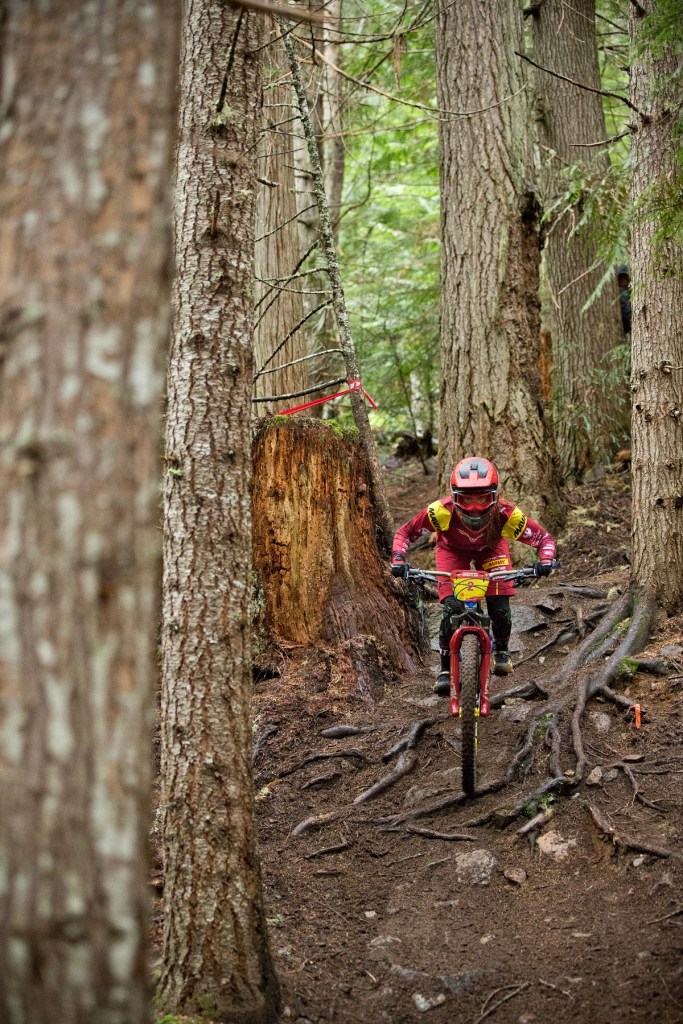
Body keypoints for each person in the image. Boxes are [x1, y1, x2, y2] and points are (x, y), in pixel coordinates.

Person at [390, 456, 556, 695]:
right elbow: (406, 532)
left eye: (482, 497)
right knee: (452, 608)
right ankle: (445, 669)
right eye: (466, 498)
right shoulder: (441, 512)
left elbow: (543, 539)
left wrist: (545, 561)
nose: (475, 506)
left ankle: (501, 651)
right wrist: (398, 560)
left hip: (492, 550)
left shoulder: (506, 514)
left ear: (495, 495)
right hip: (451, 551)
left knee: (499, 606)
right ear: (455, 496)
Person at [616, 264, 632, 336]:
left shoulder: (628, 291)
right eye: (621, 278)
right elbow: (626, 312)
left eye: (625, 278)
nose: (623, 281)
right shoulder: (621, 292)